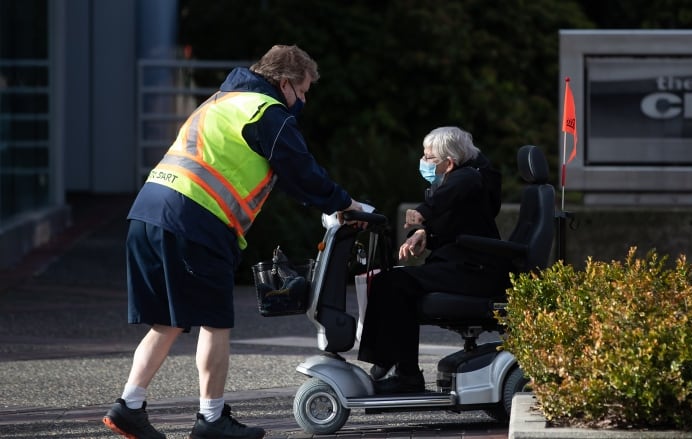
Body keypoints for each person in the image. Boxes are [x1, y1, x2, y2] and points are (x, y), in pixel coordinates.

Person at [102, 45, 364, 439]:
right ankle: (211, 419)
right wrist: (347, 204)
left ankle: (129, 406)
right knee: (215, 322)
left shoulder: (221, 100)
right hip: (197, 220)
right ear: (285, 82)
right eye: (304, 90)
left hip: (149, 211)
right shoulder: (266, 112)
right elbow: (301, 172)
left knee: (168, 322)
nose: (304, 100)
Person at [357, 126, 512, 394]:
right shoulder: (467, 178)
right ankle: (393, 365)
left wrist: (423, 214)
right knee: (393, 281)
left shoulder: (468, 178)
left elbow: (461, 187)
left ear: (449, 163)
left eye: (429, 158)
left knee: (392, 282)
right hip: (467, 266)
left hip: (474, 271)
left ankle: (398, 370)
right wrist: (424, 233)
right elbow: (454, 219)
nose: (423, 162)